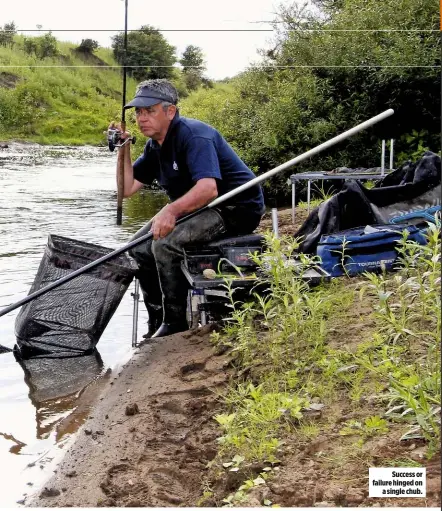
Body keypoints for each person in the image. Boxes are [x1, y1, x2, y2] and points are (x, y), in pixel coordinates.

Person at [117, 79, 265, 338]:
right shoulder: (154, 146)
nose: (142, 118)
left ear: (170, 111)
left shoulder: (194, 135)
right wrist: (123, 149)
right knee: (136, 249)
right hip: (198, 207)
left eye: (150, 111)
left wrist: (170, 211)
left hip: (234, 207)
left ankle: (175, 323)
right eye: (138, 112)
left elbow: (208, 189)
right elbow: (126, 189)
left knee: (164, 243)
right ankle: (156, 319)